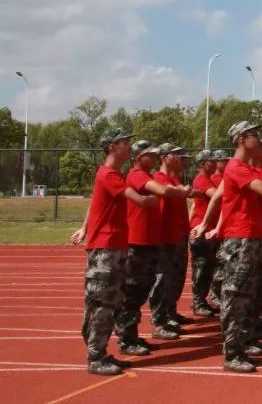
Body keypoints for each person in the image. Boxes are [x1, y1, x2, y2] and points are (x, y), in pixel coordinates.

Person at [192, 121, 262, 373]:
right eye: (253, 136)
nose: (258, 140)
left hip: (253, 238)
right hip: (240, 241)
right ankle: (233, 351)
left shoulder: (250, 170)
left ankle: (245, 341)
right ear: (240, 140)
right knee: (236, 296)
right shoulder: (237, 168)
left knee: (252, 293)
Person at [72, 128, 159, 376]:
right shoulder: (109, 174)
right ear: (112, 146)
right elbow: (138, 200)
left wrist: (84, 227)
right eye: (124, 142)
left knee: (110, 302)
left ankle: (100, 352)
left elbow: (94, 203)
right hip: (105, 248)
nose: (129, 146)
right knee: (102, 303)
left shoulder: (112, 175)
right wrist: (154, 198)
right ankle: (96, 357)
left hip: (115, 246)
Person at [115, 141, 190, 355]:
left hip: (148, 241)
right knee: (133, 292)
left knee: (140, 291)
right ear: (139, 158)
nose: (155, 158)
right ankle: (127, 338)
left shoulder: (146, 176)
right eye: (151, 155)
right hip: (137, 242)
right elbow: (163, 190)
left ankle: (132, 336)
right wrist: (180, 191)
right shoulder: (137, 175)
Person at [149, 144, 194, 334]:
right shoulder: (159, 178)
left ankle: (170, 312)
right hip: (164, 238)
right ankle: (159, 320)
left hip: (178, 236)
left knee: (176, 278)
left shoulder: (174, 179)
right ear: (164, 157)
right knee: (162, 280)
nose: (180, 159)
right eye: (175, 155)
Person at [189, 150, 219, 317]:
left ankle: (202, 301)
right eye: (210, 161)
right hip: (201, 231)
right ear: (202, 164)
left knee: (207, 269)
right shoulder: (201, 179)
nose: (214, 163)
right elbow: (215, 195)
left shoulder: (207, 179)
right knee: (200, 270)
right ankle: (197, 302)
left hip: (208, 231)